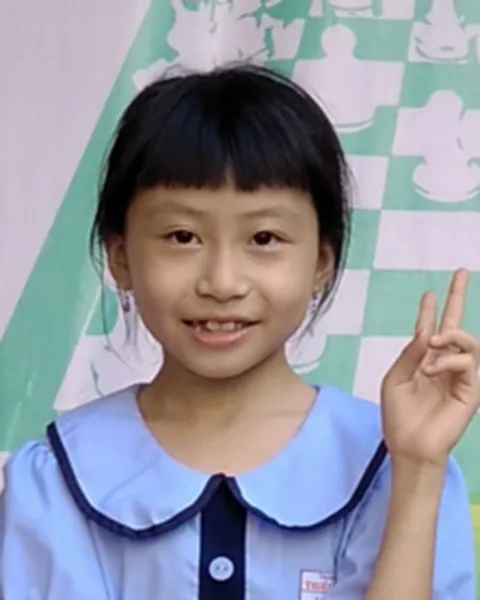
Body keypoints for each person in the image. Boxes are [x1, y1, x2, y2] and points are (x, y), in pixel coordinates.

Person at [0, 64, 478, 600]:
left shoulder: (393, 462)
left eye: (264, 238)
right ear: (121, 258)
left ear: (322, 262)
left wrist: (417, 472)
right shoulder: (57, 477)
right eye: (182, 236)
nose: (222, 282)